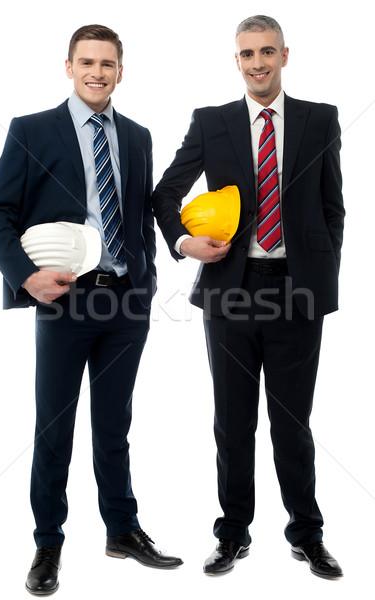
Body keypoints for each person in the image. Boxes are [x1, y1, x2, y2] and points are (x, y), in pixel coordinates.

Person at [0, 24, 182, 596]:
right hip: (65, 299)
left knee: (115, 425)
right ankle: (48, 542)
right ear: (68, 67)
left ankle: (122, 530)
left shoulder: (138, 136)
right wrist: (25, 277)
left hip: (127, 303)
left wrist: (147, 280)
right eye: (87, 62)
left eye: (108, 63)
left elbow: (142, 214)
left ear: (122, 71)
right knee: (54, 427)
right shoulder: (32, 130)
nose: (97, 72)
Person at [152, 15, 344, 579]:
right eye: (246, 54)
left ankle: (307, 534)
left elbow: (333, 206)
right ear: (236, 61)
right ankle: (233, 534)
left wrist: (321, 270)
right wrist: (185, 241)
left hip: (297, 290)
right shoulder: (212, 123)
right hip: (231, 291)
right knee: (232, 421)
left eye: (266, 51)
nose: (257, 62)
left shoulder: (320, 119)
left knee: (292, 422)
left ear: (286, 54)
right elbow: (166, 192)